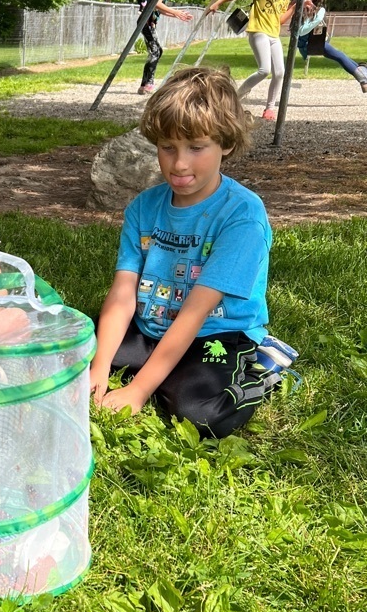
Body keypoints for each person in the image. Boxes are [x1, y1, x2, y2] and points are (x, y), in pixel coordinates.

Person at [90, 66, 294, 439]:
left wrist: (138, 391)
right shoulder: (143, 208)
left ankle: (264, 366)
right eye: (168, 148)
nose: (179, 163)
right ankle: (147, 366)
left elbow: (196, 312)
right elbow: (122, 294)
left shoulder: (241, 215)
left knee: (196, 414)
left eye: (196, 148)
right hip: (150, 325)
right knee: (77, 348)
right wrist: (98, 367)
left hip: (214, 332)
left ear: (226, 144)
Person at [207, 0, 301, 120]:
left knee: (280, 73)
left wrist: (293, 7)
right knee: (264, 70)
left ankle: (269, 109)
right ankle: (234, 99)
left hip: (273, 35)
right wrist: (218, 2)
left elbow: (280, 20)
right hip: (258, 31)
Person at [297, 0, 367, 94]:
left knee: (340, 55)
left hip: (307, 44)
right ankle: (363, 80)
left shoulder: (303, 8)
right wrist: (317, 20)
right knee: (340, 56)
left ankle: (363, 71)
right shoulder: (317, 10)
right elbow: (302, 31)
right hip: (312, 44)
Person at [137, 0, 193, 96]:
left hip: (149, 22)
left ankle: (144, 84)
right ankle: (147, 84)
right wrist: (176, 12)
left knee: (156, 51)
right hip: (146, 22)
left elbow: (159, 9)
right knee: (155, 51)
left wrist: (177, 15)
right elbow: (157, 4)